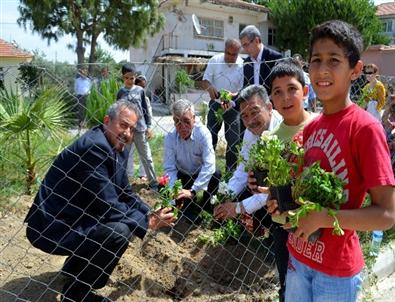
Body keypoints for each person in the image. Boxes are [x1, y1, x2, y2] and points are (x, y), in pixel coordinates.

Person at [267, 20, 395, 302]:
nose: (322, 70)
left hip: (336, 272)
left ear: (355, 70)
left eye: (334, 60)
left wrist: (326, 218)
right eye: (316, 60)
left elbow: (387, 215)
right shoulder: (311, 128)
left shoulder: (365, 129)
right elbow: (301, 195)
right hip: (298, 257)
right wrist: (280, 201)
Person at [24, 100, 176, 302]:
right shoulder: (95, 147)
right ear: (107, 121)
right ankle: (77, 295)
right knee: (120, 230)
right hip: (52, 226)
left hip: (73, 218)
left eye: (131, 129)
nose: (128, 133)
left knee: (126, 221)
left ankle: (73, 270)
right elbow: (108, 205)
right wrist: (147, 222)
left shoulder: (115, 145)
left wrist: (149, 211)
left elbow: (124, 193)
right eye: (123, 125)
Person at [163, 99, 219, 218]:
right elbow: (169, 168)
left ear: (194, 118)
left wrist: (193, 191)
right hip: (182, 175)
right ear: (173, 121)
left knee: (216, 173)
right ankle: (182, 201)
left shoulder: (203, 134)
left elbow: (209, 164)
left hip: (199, 173)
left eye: (186, 121)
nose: (182, 126)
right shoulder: (170, 137)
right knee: (186, 211)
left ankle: (207, 203)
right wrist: (175, 189)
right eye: (177, 122)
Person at [202, 38, 244, 171]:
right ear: (224, 50)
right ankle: (207, 169)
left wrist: (233, 95)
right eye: (228, 53)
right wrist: (210, 88)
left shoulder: (242, 65)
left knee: (233, 141)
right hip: (215, 105)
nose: (231, 57)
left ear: (238, 53)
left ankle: (230, 173)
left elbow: (242, 89)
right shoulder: (215, 60)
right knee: (210, 137)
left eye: (234, 54)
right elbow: (206, 80)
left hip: (233, 108)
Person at [117, 63, 158, 190]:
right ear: (123, 77)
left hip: (140, 129)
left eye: (132, 78)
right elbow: (118, 111)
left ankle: (153, 183)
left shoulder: (140, 91)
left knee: (146, 156)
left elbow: (145, 110)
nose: (129, 81)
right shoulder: (121, 93)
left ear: (135, 77)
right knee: (123, 156)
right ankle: (123, 183)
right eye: (126, 78)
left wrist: (149, 126)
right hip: (126, 131)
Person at [240, 25, 283, 92]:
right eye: (243, 46)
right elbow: (246, 88)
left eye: (246, 45)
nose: (245, 49)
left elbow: (280, 86)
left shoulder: (275, 58)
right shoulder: (247, 62)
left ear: (256, 40)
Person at [134, 74, 153, 181]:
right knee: (129, 151)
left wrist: (149, 127)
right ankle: (129, 173)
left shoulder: (145, 99)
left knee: (144, 152)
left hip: (143, 128)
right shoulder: (131, 97)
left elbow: (149, 114)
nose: (142, 89)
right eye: (140, 86)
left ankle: (143, 173)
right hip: (131, 128)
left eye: (144, 87)